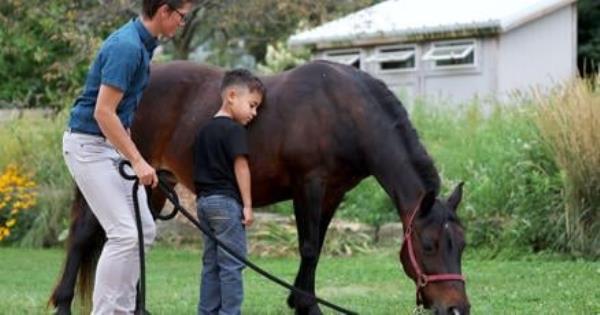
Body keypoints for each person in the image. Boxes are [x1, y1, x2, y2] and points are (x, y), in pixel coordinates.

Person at [61, 1, 194, 313]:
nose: (182, 23)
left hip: (107, 148)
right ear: (164, 10)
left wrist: (130, 153)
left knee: (143, 230)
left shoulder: (142, 46)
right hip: (88, 147)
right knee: (123, 234)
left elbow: (122, 114)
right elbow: (103, 113)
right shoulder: (128, 48)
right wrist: (137, 160)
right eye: (182, 17)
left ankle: (122, 309)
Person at [193, 69, 265, 315]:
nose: (254, 113)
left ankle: (207, 312)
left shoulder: (203, 131)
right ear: (232, 96)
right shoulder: (234, 130)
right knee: (232, 265)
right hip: (225, 204)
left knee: (211, 264)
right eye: (252, 105)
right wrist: (247, 205)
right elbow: (241, 166)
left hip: (203, 204)